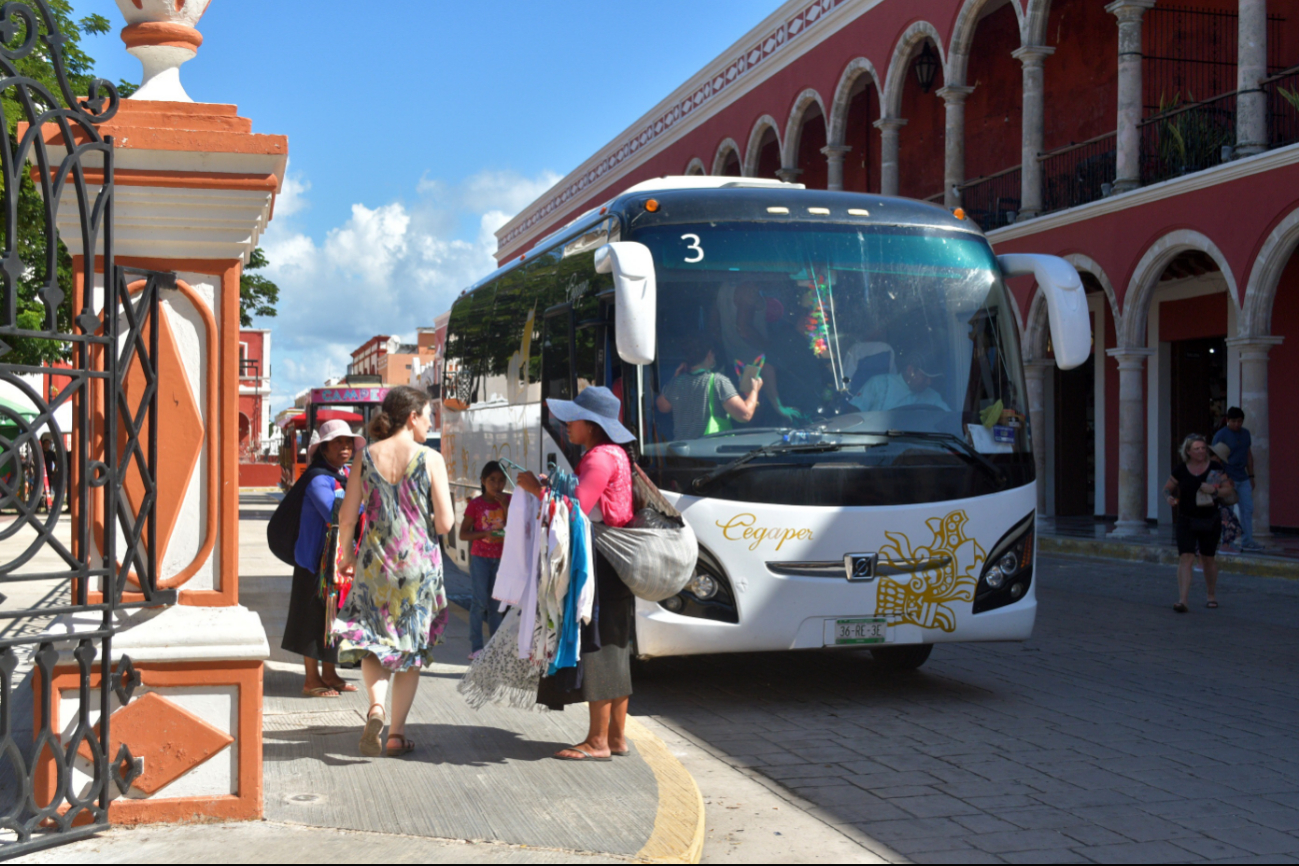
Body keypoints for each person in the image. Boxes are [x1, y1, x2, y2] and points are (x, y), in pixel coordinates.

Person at [515, 386, 636, 762]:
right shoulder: (615, 454)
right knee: (617, 649)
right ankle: (616, 738)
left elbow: (576, 509)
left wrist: (536, 489)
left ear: (593, 424)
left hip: (598, 563)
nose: (566, 424)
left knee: (597, 650)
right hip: (615, 565)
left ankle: (597, 742)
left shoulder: (598, 458)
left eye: (574, 418)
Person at [333, 386, 454, 758]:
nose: (430, 423)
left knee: (372, 640)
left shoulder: (364, 456)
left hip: (375, 563)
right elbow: (446, 523)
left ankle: (376, 707)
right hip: (417, 568)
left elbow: (347, 515)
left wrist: (345, 556)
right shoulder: (430, 458)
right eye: (428, 416)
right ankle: (397, 735)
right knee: (409, 651)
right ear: (411, 416)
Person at [283, 419, 366, 697]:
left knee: (332, 620)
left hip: (336, 564)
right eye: (338, 442)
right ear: (324, 449)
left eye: (348, 443)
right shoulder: (318, 478)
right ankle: (311, 679)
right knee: (311, 620)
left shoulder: (342, 475)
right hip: (314, 563)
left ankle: (329, 674)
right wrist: (365, 499)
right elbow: (336, 512)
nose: (345, 447)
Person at [1164, 433, 1234, 613]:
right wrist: (1169, 498)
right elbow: (1167, 488)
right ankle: (1183, 600)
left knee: (1208, 558)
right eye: (1197, 448)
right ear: (1188, 451)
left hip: (1210, 519)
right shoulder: (1181, 469)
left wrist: (1214, 490)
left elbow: (1229, 490)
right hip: (1186, 519)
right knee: (1186, 557)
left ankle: (1211, 595)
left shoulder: (1215, 468)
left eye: (1203, 448)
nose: (1201, 451)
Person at [656, 334, 762, 439]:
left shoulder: (677, 382)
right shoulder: (718, 381)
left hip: (683, 452)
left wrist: (675, 377)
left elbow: (662, 407)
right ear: (709, 354)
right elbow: (745, 415)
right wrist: (754, 390)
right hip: (709, 452)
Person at [460, 461, 511, 660]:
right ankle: (477, 647)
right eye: (491, 480)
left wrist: (506, 507)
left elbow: (515, 527)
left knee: (496, 606)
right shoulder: (476, 505)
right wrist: (484, 533)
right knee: (479, 602)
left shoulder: (509, 501)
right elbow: (463, 534)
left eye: (500, 481)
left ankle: (494, 648)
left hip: (501, 559)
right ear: (482, 481)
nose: (496, 485)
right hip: (480, 558)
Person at [1212, 407, 1260, 551]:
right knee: (1228, 510)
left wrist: (1251, 476)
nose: (1237, 424)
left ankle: (1248, 540)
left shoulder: (1245, 434)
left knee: (1248, 508)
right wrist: (1222, 480)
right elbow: (1215, 458)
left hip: (1242, 476)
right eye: (1234, 421)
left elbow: (1248, 455)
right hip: (1228, 477)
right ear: (1228, 421)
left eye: (1239, 421)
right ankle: (1227, 541)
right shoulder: (1221, 435)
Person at [850, 349, 950, 413]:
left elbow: (949, 419)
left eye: (931, 378)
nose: (929, 382)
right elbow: (853, 414)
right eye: (925, 377)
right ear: (910, 370)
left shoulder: (933, 397)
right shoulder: (878, 383)